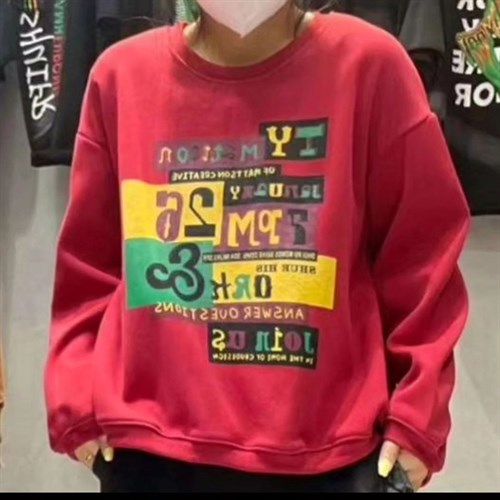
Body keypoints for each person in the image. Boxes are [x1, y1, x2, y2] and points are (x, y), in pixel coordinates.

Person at [44, 0, 470, 493]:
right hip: (150, 452)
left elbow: (422, 255)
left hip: (331, 456)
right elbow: (87, 268)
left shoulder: (369, 65)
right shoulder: (122, 77)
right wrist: (76, 400)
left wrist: (418, 418)